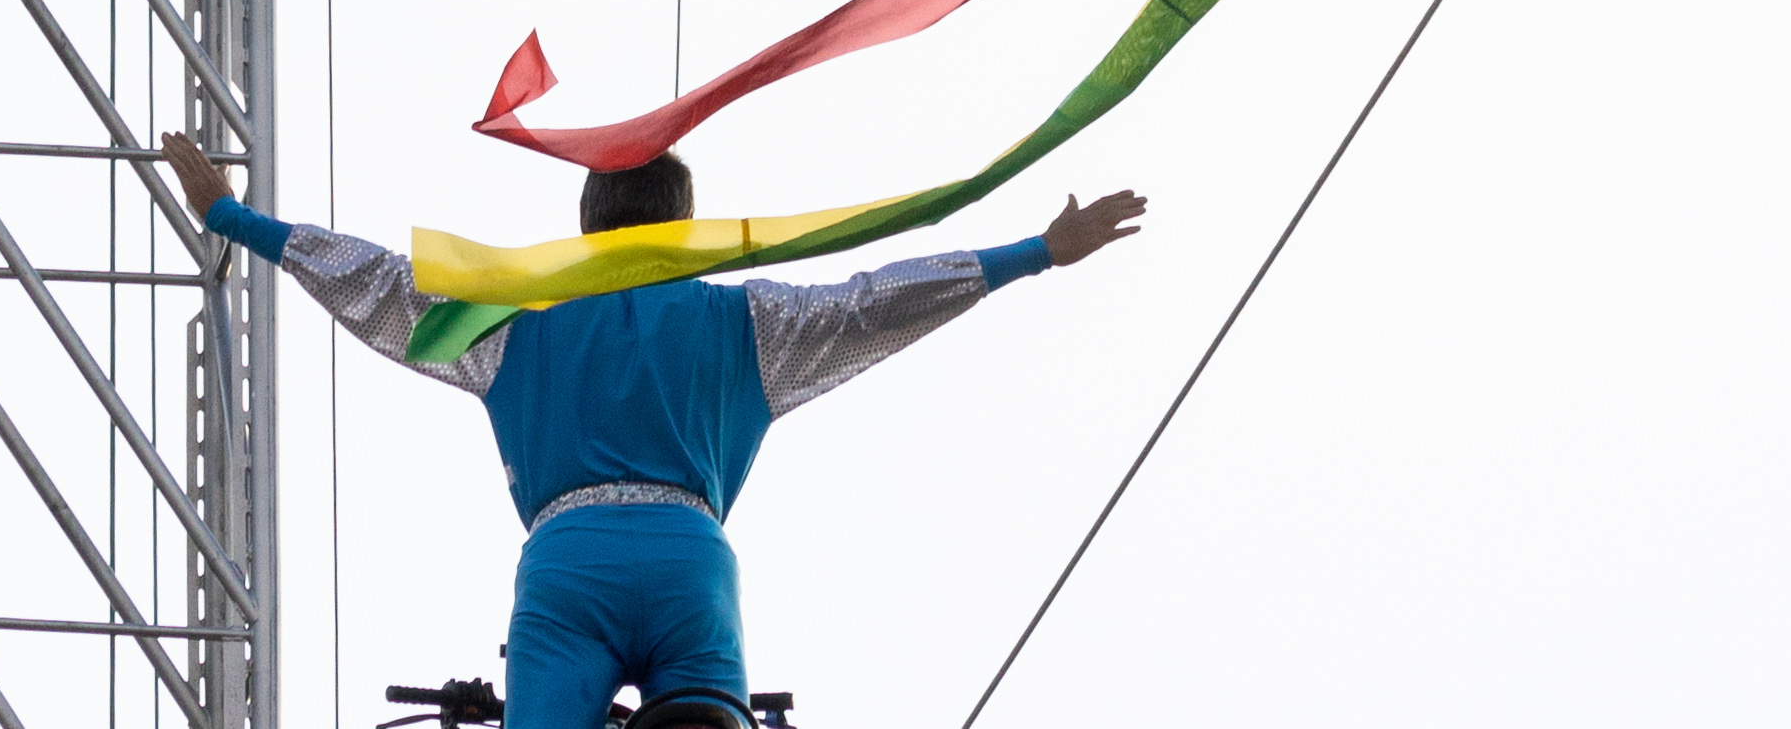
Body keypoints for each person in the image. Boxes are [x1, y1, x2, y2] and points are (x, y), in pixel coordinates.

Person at [160, 130, 1141, 729]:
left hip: (568, 564)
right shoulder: (747, 322)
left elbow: (375, 284)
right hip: (688, 564)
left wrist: (234, 218)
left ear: (587, 228)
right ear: (685, 227)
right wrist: (1033, 251)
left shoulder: (510, 319)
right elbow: (873, 301)